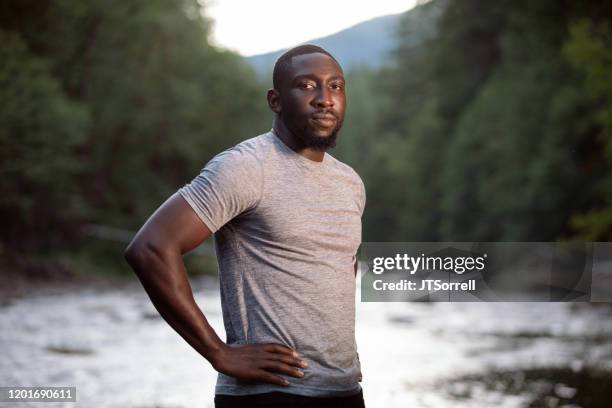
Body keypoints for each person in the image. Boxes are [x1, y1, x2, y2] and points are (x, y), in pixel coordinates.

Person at [124, 44, 366, 408]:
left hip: (344, 392)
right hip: (269, 394)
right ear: (275, 100)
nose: (324, 99)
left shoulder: (350, 183)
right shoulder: (246, 168)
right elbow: (150, 249)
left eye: (335, 86)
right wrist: (219, 353)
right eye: (306, 85)